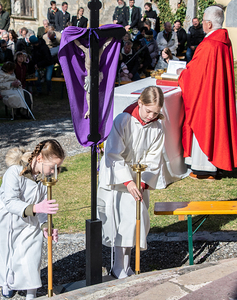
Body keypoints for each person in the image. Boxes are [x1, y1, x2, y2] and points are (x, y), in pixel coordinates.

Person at [97, 86, 165, 279]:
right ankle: (118, 265)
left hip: (139, 181)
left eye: (156, 113)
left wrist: (141, 183)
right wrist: (128, 181)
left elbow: (154, 159)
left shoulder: (157, 127)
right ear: (140, 103)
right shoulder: (123, 120)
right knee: (120, 223)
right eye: (148, 111)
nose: (151, 116)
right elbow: (112, 153)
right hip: (118, 180)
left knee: (135, 223)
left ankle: (126, 265)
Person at [0, 139, 65, 299]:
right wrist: (37, 208)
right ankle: (7, 285)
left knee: (32, 259)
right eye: (53, 167)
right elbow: (10, 202)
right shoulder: (14, 173)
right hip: (8, 222)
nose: (55, 171)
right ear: (39, 159)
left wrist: (46, 225)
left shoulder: (44, 180)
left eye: (57, 168)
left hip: (31, 224)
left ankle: (31, 294)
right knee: (8, 257)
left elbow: (43, 205)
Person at [178, 6, 237, 179]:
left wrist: (182, 74)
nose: (202, 24)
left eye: (203, 21)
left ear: (209, 24)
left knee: (206, 122)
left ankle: (204, 167)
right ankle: (218, 163)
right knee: (219, 122)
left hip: (206, 95)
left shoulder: (209, 44)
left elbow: (195, 75)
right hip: (218, 91)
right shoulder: (224, 41)